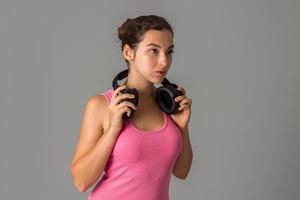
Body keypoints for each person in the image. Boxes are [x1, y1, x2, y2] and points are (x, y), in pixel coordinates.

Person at [70, 15, 193, 200]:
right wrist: (113, 129)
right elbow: (81, 181)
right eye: (153, 51)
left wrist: (183, 128)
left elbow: (181, 172)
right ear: (129, 52)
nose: (164, 61)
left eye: (169, 52)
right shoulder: (102, 105)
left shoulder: (169, 105)